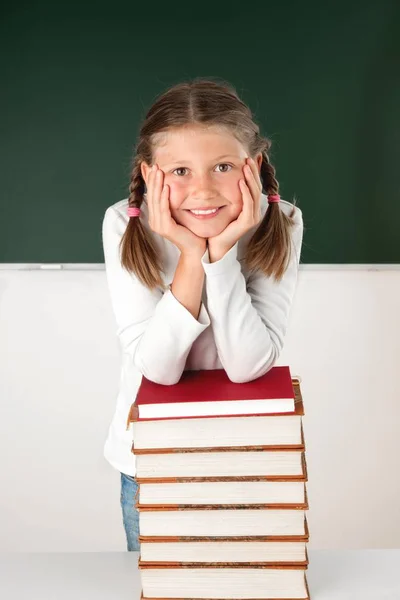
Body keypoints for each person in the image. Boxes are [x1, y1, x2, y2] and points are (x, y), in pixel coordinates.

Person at [101, 77, 305, 551]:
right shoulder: (122, 224)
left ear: (252, 166)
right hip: (152, 462)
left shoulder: (284, 221)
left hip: (245, 459)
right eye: (179, 172)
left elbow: (248, 364)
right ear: (150, 173)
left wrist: (221, 255)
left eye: (222, 166)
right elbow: (158, 369)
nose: (203, 190)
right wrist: (192, 258)